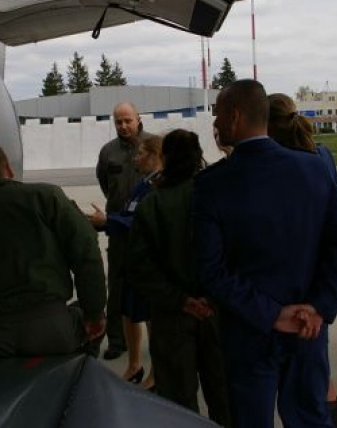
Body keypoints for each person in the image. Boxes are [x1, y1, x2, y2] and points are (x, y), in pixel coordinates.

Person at [193, 80, 337, 428]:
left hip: (249, 332)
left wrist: (271, 315)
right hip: (308, 328)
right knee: (310, 418)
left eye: (218, 114)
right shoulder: (314, 168)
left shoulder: (212, 184)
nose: (216, 123)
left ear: (235, 116)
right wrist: (318, 307)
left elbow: (211, 270)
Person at [0, 141, 106, 358]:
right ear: (8, 169)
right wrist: (94, 312)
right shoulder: (46, 196)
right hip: (50, 327)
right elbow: (86, 252)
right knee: (90, 329)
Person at [127, 130, 232, 426]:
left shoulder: (152, 204)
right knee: (225, 398)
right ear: (198, 156)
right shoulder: (219, 197)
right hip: (218, 312)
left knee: (178, 405)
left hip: (172, 318)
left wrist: (181, 301)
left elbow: (139, 268)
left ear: (165, 157)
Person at [267, 92, 337, 427]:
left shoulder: (280, 166)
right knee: (313, 374)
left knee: (299, 387)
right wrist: (322, 304)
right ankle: (328, 403)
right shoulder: (320, 156)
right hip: (317, 289)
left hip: (289, 295)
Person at [88, 135, 161, 389]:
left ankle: (156, 373)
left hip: (149, 262)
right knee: (129, 311)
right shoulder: (143, 184)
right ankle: (134, 365)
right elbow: (129, 213)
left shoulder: (158, 186)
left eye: (141, 154)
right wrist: (106, 220)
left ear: (155, 156)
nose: (136, 158)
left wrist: (108, 221)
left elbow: (141, 221)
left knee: (151, 317)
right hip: (133, 258)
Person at [95, 102, 154, 360]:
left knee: (150, 285)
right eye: (118, 121)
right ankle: (117, 341)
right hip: (118, 229)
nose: (123, 126)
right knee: (117, 284)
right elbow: (104, 182)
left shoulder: (153, 145)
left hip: (148, 232)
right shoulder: (108, 151)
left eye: (128, 120)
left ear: (138, 118)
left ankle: (157, 339)